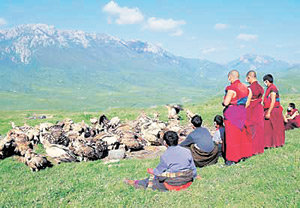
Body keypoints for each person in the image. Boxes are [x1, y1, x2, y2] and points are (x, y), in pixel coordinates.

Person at [124, 131, 197, 191]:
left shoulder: (165, 155)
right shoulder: (186, 151)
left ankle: (136, 183)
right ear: (177, 140)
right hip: (187, 181)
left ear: (165, 142)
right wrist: (194, 176)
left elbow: (158, 172)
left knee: (153, 179)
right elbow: (193, 167)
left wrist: (152, 171)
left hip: (173, 184)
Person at [223, 70, 251, 165]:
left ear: (230, 77)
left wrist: (224, 103)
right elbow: (247, 102)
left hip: (232, 115)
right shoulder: (245, 87)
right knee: (241, 135)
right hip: (242, 113)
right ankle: (243, 155)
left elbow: (226, 102)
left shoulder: (231, 88)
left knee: (231, 137)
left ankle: (232, 159)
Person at [245, 70, 265, 155]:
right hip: (259, 109)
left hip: (252, 110)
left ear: (249, 77)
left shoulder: (249, 88)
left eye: (247, 78)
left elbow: (248, 101)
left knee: (251, 129)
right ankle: (259, 149)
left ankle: (251, 149)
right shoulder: (261, 87)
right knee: (259, 129)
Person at [263, 74, 285, 148]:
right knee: (270, 127)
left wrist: (269, 112)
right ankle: (270, 143)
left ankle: (276, 143)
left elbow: (273, 101)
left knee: (275, 127)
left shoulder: (272, 89)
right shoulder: (270, 88)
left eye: (265, 81)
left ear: (267, 81)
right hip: (272, 109)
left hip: (273, 110)